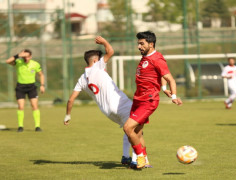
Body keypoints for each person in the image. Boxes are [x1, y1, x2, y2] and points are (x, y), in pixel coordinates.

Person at [64, 36, 150, 168]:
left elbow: (71, 100)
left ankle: (125, 156)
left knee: (128, 130)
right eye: (99, 59)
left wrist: (68, 115)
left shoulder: (82, 79)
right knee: (137, 131)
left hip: (107, 112)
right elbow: (110, 51)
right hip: (120, 104)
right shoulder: (97, 66)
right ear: (94, 60)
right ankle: (136, 160)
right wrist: (104, 41)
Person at [123, 31, 183, 169]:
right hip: (138, 99)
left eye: (142, 43)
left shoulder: (157, 59)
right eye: (138, 43)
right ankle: (145, 160)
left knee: (127, 128)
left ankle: (140, 158)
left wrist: (173, 96)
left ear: (151, 44)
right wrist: (163, 87)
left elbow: (170, 78)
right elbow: (160, 75)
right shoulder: (146, 57)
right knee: (137, 132)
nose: (139, 46)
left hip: (148, 100)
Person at [5, 49, 45, 132]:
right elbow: (8, 61)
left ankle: (37, 126)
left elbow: (41, 75)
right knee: (21, 106)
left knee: (34, 106)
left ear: (30, 56)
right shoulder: (18, 62)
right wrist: (18, 55)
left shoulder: (35, 64)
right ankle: (20, 126)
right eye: (24, 56)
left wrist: (42, 85)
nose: (26, 58)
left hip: (31, 87)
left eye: (27, 56)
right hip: (20, 87)